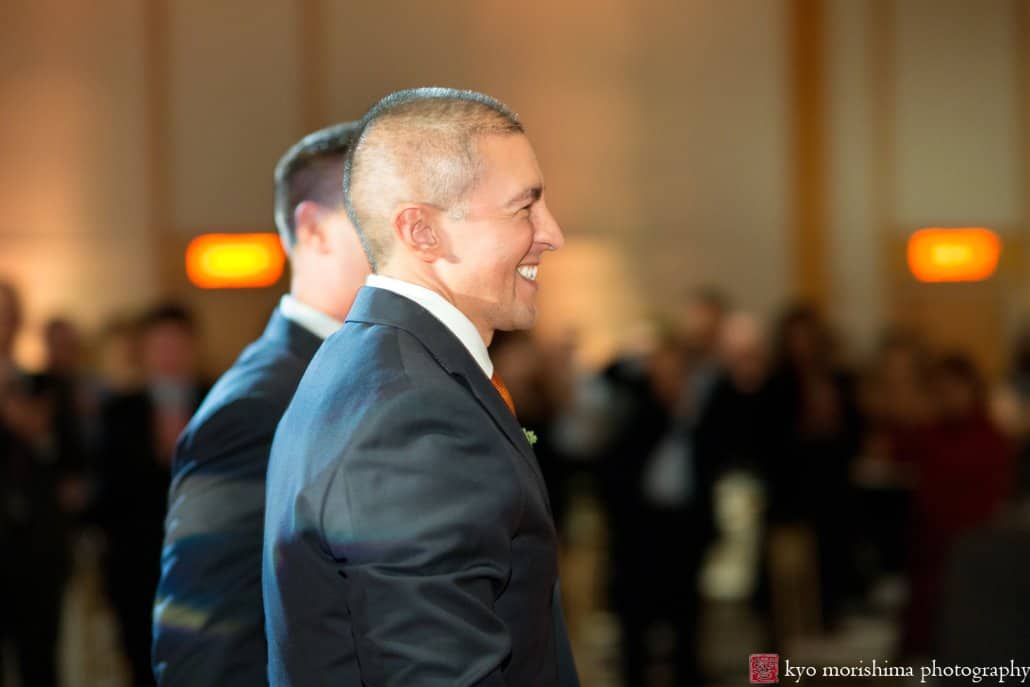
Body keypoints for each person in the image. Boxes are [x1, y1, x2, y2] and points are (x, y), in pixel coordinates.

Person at [264, 88, 579, 686]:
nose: (552, 233)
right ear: (423, 232)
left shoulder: (368, 363)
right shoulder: (416, 415)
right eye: (524, 208)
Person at [152, 122, 370, 686]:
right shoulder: (258, 404)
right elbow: (204, 643)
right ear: (314, 229)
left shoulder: (358, 372)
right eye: (378, 220)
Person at [96, 304, 208, 687]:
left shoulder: (221, 399)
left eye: (177, 344)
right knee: (142, 659)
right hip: (138, 561)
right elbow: (109, 488)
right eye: (159, 345)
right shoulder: (119, 411)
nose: (169, 355)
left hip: (208, 562)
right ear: (143, 351)